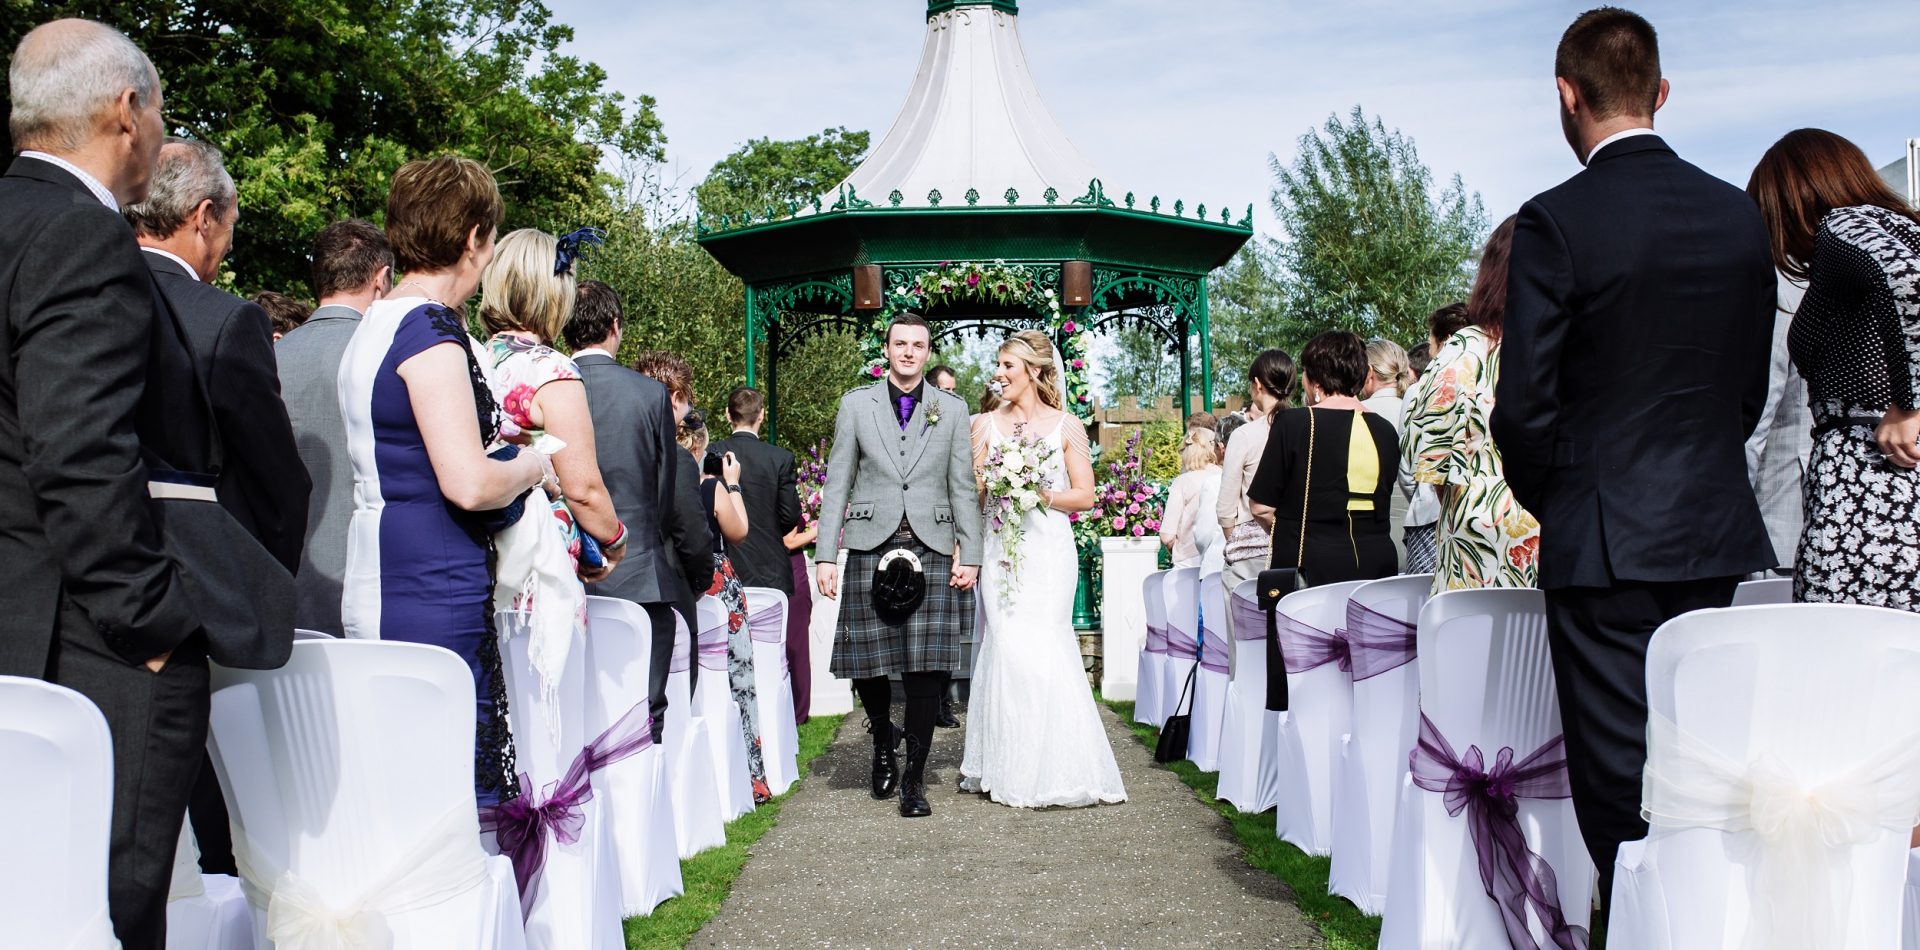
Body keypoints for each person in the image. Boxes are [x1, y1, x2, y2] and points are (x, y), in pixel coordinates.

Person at [1489, 8, 1776, 899]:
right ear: (1660, 92)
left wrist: (1563, 499)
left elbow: (1524, 403)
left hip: (1604, 538)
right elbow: (1744, 391)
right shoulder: (1738, 217)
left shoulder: (1555, 221)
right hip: (1714, 527)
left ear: (1566, 96)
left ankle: (1643, 919)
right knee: (1704, 753)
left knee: (1620, 775)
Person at [0, 20, 212, 946]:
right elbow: (80, 451)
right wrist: (153, 625)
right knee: (111, 909)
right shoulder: (80, 235)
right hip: (84, 647)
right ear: (129, 111)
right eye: (162, 113)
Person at [337, 155, 552, 806]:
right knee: (447, 794)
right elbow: (468, 483)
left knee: (400, 788)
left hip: (381, 568)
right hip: (431, 585)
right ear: (472, 239)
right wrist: (537, 465)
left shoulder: (375, 319)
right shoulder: (427, 328)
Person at [814, 312, 981, 818]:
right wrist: (826, 552)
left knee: (928, 666)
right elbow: (837, 481)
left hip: (932, 542)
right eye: (900, 343)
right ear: (886, 349)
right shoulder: (855, 404)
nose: (909, 352)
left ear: (928, 353)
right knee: (869, 663)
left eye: (918, 344)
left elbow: (962, 485)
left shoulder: (951, 408)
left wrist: (969, 552)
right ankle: (883, 739)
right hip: (868, 542)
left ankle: (914, 778)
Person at [1748, 128, 1920, 611]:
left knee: (1840, 667)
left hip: (1864, 502)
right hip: (1877, 503)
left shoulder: (1844, 225)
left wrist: (1909, 406)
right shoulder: (1895, 230)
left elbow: (1910, 282)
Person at [128, 137, 309, 575]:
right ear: (204, 217)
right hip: (194, 573)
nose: (231, 242)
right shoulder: (229, 320)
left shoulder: (78, 291)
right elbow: (278, 481)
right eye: (233, 223)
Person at [961, 330, 1126, 808]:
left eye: (1008, 366)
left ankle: (1055, 768)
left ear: (1033, 371)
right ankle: (1008, 766)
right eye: (997, 365)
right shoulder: (982, 425)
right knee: (1008, 646)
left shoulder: (1066, 425)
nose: (999, 374)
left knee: (1047, 649)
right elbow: (972, 493)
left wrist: (1038, 493)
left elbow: (1086, 495)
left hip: (1049, 552)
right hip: (1000, 554)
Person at [569, 284, 708, 741]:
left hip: (565, 570)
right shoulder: (648, 395)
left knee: (576, 709)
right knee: (645, 711)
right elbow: (667, 488)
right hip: (640, 573)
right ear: (614, 327)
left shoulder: (546, 382)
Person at [476, 228, 623, 588]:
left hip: (480, 552)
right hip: (537, 563)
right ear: (555, 293)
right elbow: (583, 489)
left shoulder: (470, 357)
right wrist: (615, 540)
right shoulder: (551, 371)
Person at [1404, 219, 1540, 592]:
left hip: (1476, 536)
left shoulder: (1465, 349)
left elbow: (1429, 454)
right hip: (1548, 536)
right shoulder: (1559, 346)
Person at [277, 219, 393, 635]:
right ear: (381, 280)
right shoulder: (392, 355)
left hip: (286, 576)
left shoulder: (269, 357)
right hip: (376, 579)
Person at [1249, 330, 1400, 588]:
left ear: (1316, 380)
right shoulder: (1385, 430)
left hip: (1312, 571)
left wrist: (1293, 534)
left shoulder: (1294, 423)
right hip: (1377, 569)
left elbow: (1260, 507)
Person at [680, 409, 771, 802]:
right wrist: (732, 485)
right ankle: (752, 777)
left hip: (681, 582)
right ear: (700, 446)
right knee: (739, 679)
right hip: (717, 582)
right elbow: (739, 530)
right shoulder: (708, 486)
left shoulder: (664, 482)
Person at [710, 387, 811, 721]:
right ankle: (774, 720)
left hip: (727, 566)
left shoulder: (714, 454)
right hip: (770, 569)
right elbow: (788, 515)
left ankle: (736, 719)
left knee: (727, 652)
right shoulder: (779, 458)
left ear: (728, 415)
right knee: (772, 654)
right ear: (761, 415)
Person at [634, 349, 718, 699]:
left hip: (617, 589)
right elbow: (694, 537)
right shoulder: (679, 459)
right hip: (669, 594)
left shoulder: (624, 448)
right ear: (678, 397)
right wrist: (701, 580)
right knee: (675, 698)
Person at [1744, 274, 1809, 577]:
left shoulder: (1788, 290)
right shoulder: (1789, 290)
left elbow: (1754, 420)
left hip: (1785, 524)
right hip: (1787, 532)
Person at [1217, 349, 1295, 590]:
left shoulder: (1244, 435)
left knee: (1244, 627)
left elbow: (1225, 507)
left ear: (1257, 384)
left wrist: (1239, 541)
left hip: (1251, 556)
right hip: (1297, 545)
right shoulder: (1307, 428)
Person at [1159, 428, 1223, 568]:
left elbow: (1166, 536)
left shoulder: (1183, 482)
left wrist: (1178, 552)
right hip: (1221, 559)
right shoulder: (1225, 476)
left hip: (1189, 562)